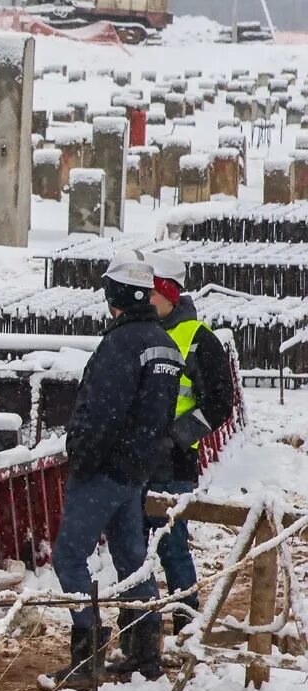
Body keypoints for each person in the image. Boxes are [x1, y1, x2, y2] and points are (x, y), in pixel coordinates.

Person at [42, 254, 184, 690]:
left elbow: (101, 411)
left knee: (69, 555)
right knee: (130, 557)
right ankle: (145, 654)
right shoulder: (164, 343)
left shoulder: (120, 344)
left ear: (115, 297)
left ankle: (89, 653)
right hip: (137, 469)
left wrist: (81, 456)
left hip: (104, 468)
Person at [144, 252, 237, 624]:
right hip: (136, 460)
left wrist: (177, 436)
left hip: (173, 463)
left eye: (150, 293)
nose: (145, 300)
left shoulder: (200, 341)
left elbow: (219, 404)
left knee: (172, 546)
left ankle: (185, 620)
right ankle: (141, 625)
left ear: (169, 294)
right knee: (135, 550)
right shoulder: (141, 333)